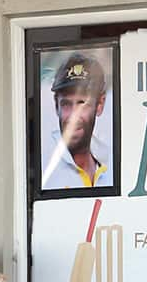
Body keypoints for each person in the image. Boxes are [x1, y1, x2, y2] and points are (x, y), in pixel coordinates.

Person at [42, 51, 112, 190]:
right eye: (66, 104)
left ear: (100, 105)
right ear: (57, 105)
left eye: (81, 103)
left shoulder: (112, 161)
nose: (73, 116)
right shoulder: (45, 163)